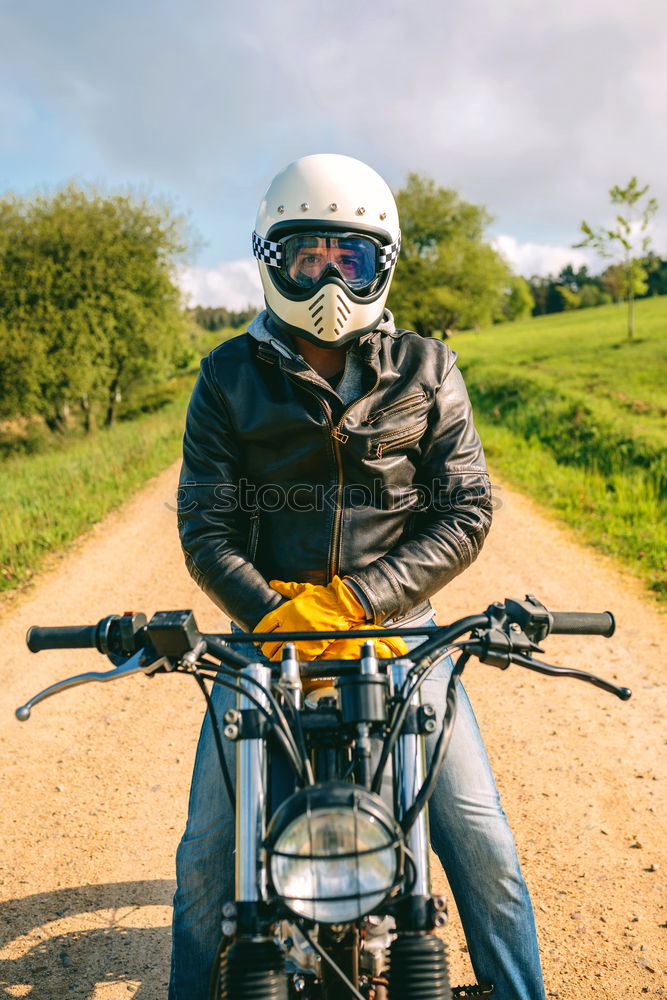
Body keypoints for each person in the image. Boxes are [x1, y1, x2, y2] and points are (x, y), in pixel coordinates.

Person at [171, 153, 546, 1000]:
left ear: (385, 262)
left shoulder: (427, 367)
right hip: (267, 631)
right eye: (309, 256)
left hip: (401, 627)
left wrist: (356, 599)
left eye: (353, 258)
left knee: (482, 846)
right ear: (271, 258)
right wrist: (270, 610)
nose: (330, 279)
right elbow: (206, 526)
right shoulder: (228, 376)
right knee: (203, 862)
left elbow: (466, 511)